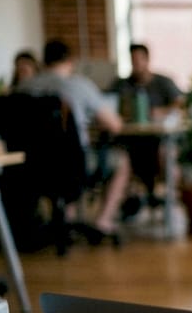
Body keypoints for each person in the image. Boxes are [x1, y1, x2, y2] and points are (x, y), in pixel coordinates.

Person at [17, 39, 130, 239]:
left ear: (44, 61)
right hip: (75, 163)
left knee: (59, 165)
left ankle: (63, 220)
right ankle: (103, 221)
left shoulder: (24, 87)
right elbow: (114, 125)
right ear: (70, 61)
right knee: (121, 162)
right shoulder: (78, 85)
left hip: (33, 166)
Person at [110, 43, 183, 213]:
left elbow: (181, 103)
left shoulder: (163, 82)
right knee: (119, 158)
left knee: (168, 155)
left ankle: (170, 201)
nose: (136, 64)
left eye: (139, 60)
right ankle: (129, 199)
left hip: (159, 140)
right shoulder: (122, 84)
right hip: (131, 141)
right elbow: (108, 104)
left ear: (147, 60)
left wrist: (161, 112)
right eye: (132, 60)